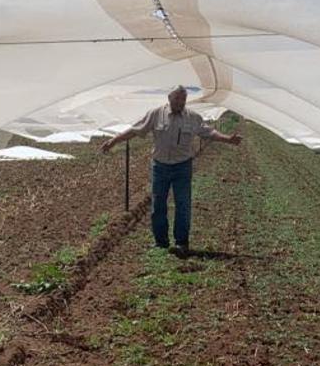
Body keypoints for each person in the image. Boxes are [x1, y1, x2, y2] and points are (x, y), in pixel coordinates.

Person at [101, 85, 241, 254]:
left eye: (183, 99)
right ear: (169, 98)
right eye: (177, 99)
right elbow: (135, 130)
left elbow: (209, 133)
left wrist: (228, 139)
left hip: (182, 166)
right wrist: (114, 141)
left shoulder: (192, 117)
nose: (180, 102)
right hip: (160, 166)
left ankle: (182, 243)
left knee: (183, 204)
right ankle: (161, 242)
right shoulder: (156, 114)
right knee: (158, 204)